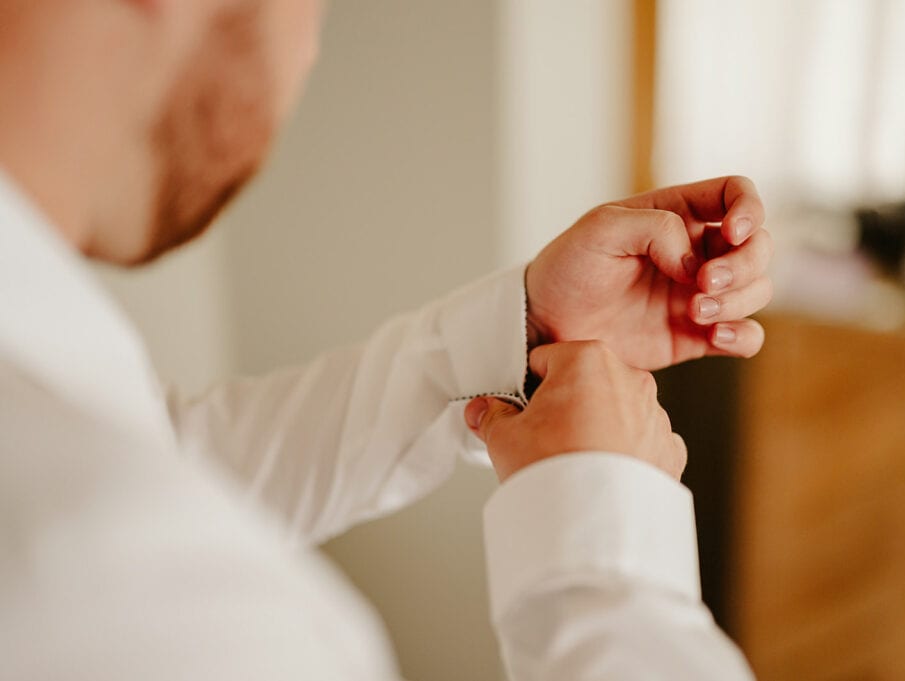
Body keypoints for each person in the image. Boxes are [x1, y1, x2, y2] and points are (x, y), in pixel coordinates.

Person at [0, 1, 773, 679]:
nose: (307, 50)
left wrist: (523, 327)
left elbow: (177, 455)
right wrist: (607, 535)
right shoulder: (205, 634)